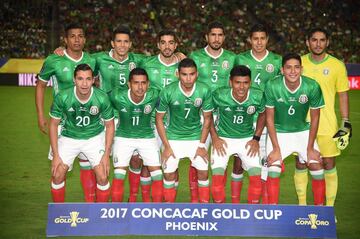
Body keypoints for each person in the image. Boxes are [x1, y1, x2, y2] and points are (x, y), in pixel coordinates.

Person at [35, 23, 97, 202]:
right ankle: (59, 212)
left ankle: (91, 206)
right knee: (59, 168)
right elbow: (40, 86)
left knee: (88, 166)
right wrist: (40, 115)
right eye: (72, 36)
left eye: (80, 36)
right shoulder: (54, 60)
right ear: (65, 39)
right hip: (62, 122)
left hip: (88, 122)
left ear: (85, 39)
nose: (76, 39)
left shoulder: (92, 60)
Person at [294, 28, 351, 208]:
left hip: (327, 125)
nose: (317, 44)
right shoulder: (298, 63)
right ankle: (302, 207)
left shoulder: (337, 65)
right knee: (302, 163)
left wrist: (346, 121)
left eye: (321, 40)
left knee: (328, 164)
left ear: (327, 42)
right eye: (314, 40)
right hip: (301, 125)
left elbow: (342, 95)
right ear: (307, 42)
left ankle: (328, 210)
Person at [265, 53, 325, 205]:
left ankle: (320, 213)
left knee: (317, 167)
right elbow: (269, 118)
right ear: (282, 70)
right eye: (289, 68)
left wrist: (310, 147)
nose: (293, 71)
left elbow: (315, 118)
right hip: (279, 133)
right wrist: (276, 148)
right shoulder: (272, 85)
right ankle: (274, 212)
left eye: (296, 67)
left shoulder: (312, 86)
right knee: (273, 170)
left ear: (302, 69)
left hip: (302, 132)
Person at [49, 64, 114, 202]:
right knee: (57, 174)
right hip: (68, 137)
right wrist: (55, 155)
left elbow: (109, 125)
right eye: (80, 79)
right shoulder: (63, 96)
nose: (84, 83)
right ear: (74, 80)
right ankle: (59, 213)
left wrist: (106, 155)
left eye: (88, 79)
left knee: (102, 176)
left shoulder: (101, 97)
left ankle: (100, 213)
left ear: (93, 80)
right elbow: (53, 125)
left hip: (94, 137)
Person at [188, 21, 236, 203]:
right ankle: (195, 199)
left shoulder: (232, 58)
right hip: (199, 114)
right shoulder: (196, 56)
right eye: (213, 35)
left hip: (224, 115)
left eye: (220, 35)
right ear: (206, 37)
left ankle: (218, 198)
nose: (216, 39)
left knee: (220, 158)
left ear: (224, 37)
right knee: (196, 155)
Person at [234, 23, 282, 203]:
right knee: (239, 161)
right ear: (249, 40)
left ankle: (267, 204)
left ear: (267, 40)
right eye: (255, 39)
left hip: (269, 118)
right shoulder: (240, 59)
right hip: (245, 117)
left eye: (262, 38)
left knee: (267, 160)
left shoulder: (277, 61)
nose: (259, 42)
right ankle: (237, 204)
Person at [156, 58, 213, 203]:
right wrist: (167, 147)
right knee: (169, 175)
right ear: (177, 74)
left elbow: (207, 118)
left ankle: (203, 210)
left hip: (195, 137)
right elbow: (159, 119)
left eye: (192, 74)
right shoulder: (168, 91)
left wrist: (202, 145)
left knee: (203, 173)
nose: (188, 78)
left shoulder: (204, 90)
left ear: (197, 74)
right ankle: (169, 208)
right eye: (184, 74)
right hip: (173, 138)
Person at [140, 29, 185, 202]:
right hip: (151, 120)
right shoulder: (147, 64)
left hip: (174, 122)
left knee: (172, 162)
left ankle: (169, 201)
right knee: (147, 162)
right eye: (163, 42)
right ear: (158, 45)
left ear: (176, 45)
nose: (167, 46)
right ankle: (146, 202)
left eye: (171, 42)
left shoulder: (183, 64)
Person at [210, 65, 265, 203]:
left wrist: (256, 138)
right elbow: (208, 115)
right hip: (223, 139)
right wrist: (215, 138)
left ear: (250, 83)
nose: (241, 87)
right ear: (230, 82)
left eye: (246, 83)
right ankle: (220, 213)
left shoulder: (258, 96)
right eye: (237, 82)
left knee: (257, 184)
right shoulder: (219, 95)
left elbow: (263, 114)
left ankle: (252, 215)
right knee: (217, 185)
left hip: (247, 140)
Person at [110, 68, 163, 202]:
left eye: (143, 83)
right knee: (119, 175)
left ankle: (156, 211)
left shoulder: (155, 94)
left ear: (148, 84)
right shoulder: (116, 95)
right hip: (123, 137)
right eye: (136, 83)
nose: (140, 87)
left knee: (157, 175)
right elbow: (99, 101)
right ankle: (118, 211)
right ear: (129, 84)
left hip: (147, 137)